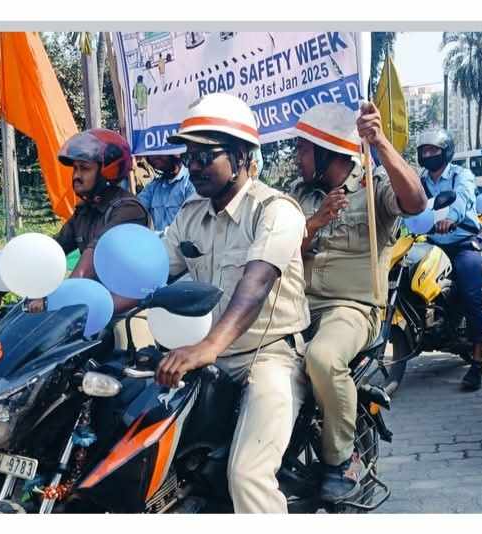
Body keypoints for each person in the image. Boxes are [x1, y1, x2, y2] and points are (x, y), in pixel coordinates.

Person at [153, 93, 310, 514]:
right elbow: (151, 276)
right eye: (189, 156)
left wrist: (208, 347)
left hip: (268, 355)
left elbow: (255, 284)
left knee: (248, 475)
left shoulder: (276, 211)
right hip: (205, 359)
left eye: (206, 155)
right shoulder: (190, 215)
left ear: (241, 156)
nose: (194, 166)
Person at [291, 102, 426, 502]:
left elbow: (416, 202)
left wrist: (379, 141)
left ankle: (341, 458)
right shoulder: (297, 195)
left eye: (303, 149)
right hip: (295, 305)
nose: (297, 157)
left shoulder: (373, 187)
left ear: (327, 151)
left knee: (322, 358)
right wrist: (313, 224)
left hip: (350, 308)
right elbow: (276, 250)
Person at [415, 129, 482, 391]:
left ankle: (478, 364)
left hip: (462, 241)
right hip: (433, 242)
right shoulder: (420, 180)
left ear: (445, 152)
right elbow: (410, 203)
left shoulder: (461, 175)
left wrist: (452, 218)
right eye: (424, 151)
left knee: (471, 296)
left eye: (434, 150)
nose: (429, 155)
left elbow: (463, 198)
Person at [52, 128, 150, 281]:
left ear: (108, 171)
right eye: (75, 169)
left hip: (126, 300)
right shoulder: (85, 210)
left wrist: (66, 293)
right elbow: (54, 248)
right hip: (95, 297)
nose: (76, 175)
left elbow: (96, 255)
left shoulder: (128, 209)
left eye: (84, 168)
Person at [138, 151, 196, 232]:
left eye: (159, 151)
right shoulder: (153, 187)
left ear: (177, 154)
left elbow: (191, 225)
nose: (153, 156)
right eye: (151, 153)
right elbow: (137, 209)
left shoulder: (190, 183)